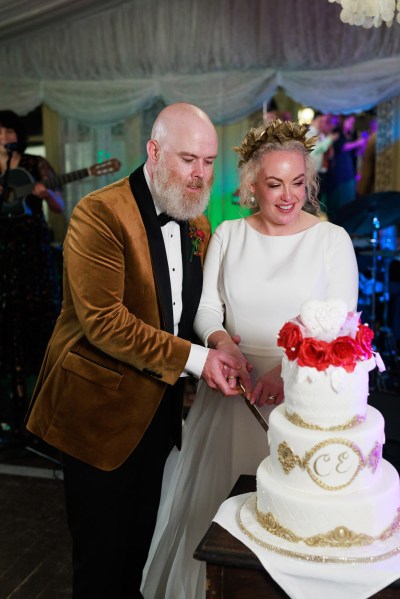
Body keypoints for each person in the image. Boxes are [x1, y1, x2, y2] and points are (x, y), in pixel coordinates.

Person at [25, 102, 250, 599]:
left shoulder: (195, 220)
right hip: (97, 418)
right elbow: (105, 322)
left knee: (137, 556)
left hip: (158, 413)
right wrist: (198, 360)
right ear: (154, 151)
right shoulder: (98, 214)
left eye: (209, 161)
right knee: (101, 564)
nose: (200, 174)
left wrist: (225, 342)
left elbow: (190, 311)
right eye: (188, 158)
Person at [141, 118, 359, 599]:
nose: (288, 197)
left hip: (300, 401)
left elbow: (341, 324)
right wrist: (223, 343)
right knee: (221, 525)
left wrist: (288, 375)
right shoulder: (229, 234)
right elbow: (205, 309)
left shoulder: (332, 241)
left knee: (287, 525)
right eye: (275, 184)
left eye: (299, 183)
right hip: (231, 394)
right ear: (251, 186)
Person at [0, 110, 64, 442]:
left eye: (8, 130)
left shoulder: (36, 165)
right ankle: (11, 411)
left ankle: (42, 414)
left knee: (38, 326)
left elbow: (59, 206)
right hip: (4, 255)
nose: (4, 136)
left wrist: (46, 194)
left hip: (33, 255)